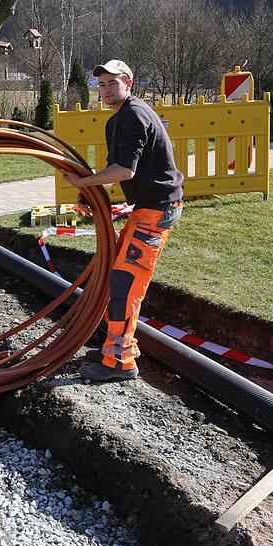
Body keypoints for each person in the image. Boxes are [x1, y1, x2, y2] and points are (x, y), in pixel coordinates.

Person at [63, 60, 184, 382]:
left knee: (125, 285)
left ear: (129, 83)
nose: (105, 90)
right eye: (101, 85)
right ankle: (113, 346)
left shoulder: (135, 114)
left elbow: (125, 172)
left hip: (157, 210)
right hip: (146, 207)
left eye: (112, 83)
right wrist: (88, 194)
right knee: (115, 275)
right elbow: (113, 168)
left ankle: (121, 360)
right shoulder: (117, 120)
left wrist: (82, 184)